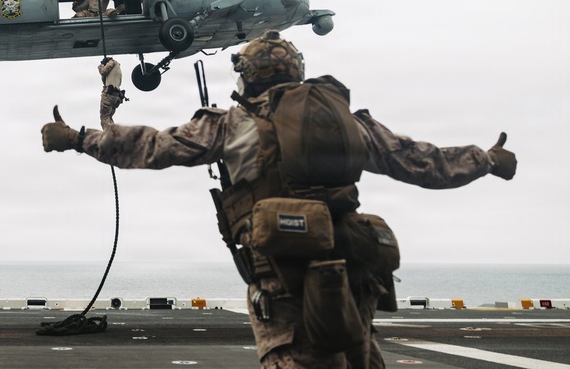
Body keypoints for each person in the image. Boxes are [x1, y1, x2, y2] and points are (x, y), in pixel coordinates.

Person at [40, 30, 517, 368]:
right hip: (355, 276)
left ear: (247, 76)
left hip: (283, 284)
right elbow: (423, 162)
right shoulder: (348, 122)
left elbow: (151, 147)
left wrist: (77, 138)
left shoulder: (234, 124)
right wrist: (488, 159)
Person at [98, 57, 127, 129]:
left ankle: (109, 135)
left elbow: (103, 71)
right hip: (116, 96)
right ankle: (114, 133)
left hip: (109, 95)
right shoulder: (117, 66)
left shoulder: (111, 63)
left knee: (104, 117)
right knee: (109, 117)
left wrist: (101, 65)